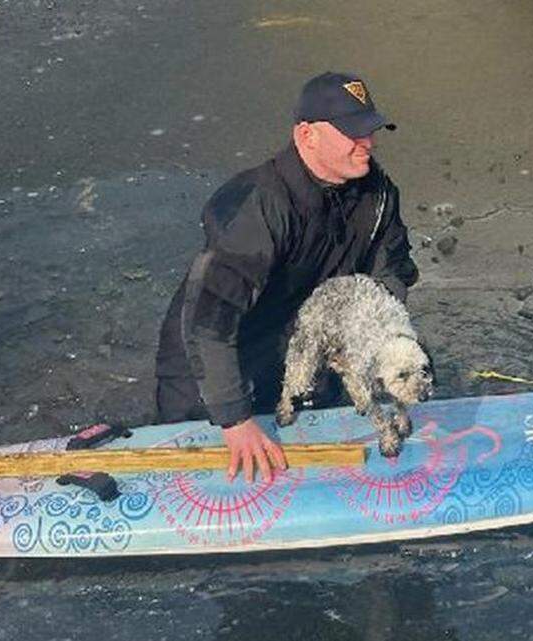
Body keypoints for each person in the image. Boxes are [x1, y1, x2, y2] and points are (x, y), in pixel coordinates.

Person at [154, 72, 419, 483]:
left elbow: (392, 273)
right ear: (307, 135)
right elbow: (209, 322)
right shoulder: (257, 204)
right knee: (215, 463)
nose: (367, 143)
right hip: (209, 362)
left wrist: (376, 346)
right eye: (352, 133)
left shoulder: (377, 194)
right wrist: (233, 419)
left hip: (297, 344)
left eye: (370, 129)